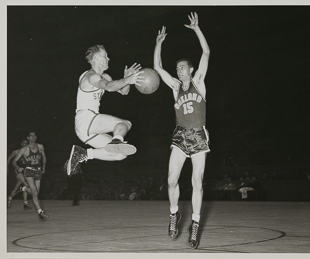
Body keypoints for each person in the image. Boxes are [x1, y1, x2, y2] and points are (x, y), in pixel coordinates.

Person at [154, 12, 210, 249]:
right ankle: (174, 214)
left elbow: (206, 52)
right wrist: (158, 44)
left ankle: (195, 224)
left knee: (197, 181)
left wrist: (197, 29)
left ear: (190, 69)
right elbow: (157, 67)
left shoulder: (198, 81)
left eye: (181, 68)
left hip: (198, 135)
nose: (178, 71)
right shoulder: (175, 87)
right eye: (176, 68)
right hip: (180, 135)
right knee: (171, 179)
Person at [66, 44, 144, 176]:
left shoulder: (105, 76)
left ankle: (84, 154)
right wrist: (126, 80)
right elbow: (108, 87)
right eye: (105, 56)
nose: (108, 58)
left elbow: (123, 92)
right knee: (125, 124)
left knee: (120, 154)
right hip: (86, 118)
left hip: (86, 129)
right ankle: (116, 140)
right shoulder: (90, 76)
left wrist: (127, 80)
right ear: (96, 58)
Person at [13, 132, 49, 221]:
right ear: (28, 138)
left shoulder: (40, 146)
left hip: (38, 171)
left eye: (34, 135)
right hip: (29, 171)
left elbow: (44, 157)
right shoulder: (24, 149)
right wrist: (18, 167)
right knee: (35, 193)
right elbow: (14, 161)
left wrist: (43, 166)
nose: (33, 137)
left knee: (36, 193)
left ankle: (24, 188)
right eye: (31, 136)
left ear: (36, 137)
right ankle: (40, 213)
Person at [7, 138, 32, 210]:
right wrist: (7, 168)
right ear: (21, 144)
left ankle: (10, 198)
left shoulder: (27, 152)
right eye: (24, 143)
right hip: (17, 171)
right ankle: (25, 203)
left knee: (17, 187)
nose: (25, 144)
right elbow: (8, 159)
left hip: (25, 171)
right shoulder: (16, 152)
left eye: (26, 143)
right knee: (25, 184)